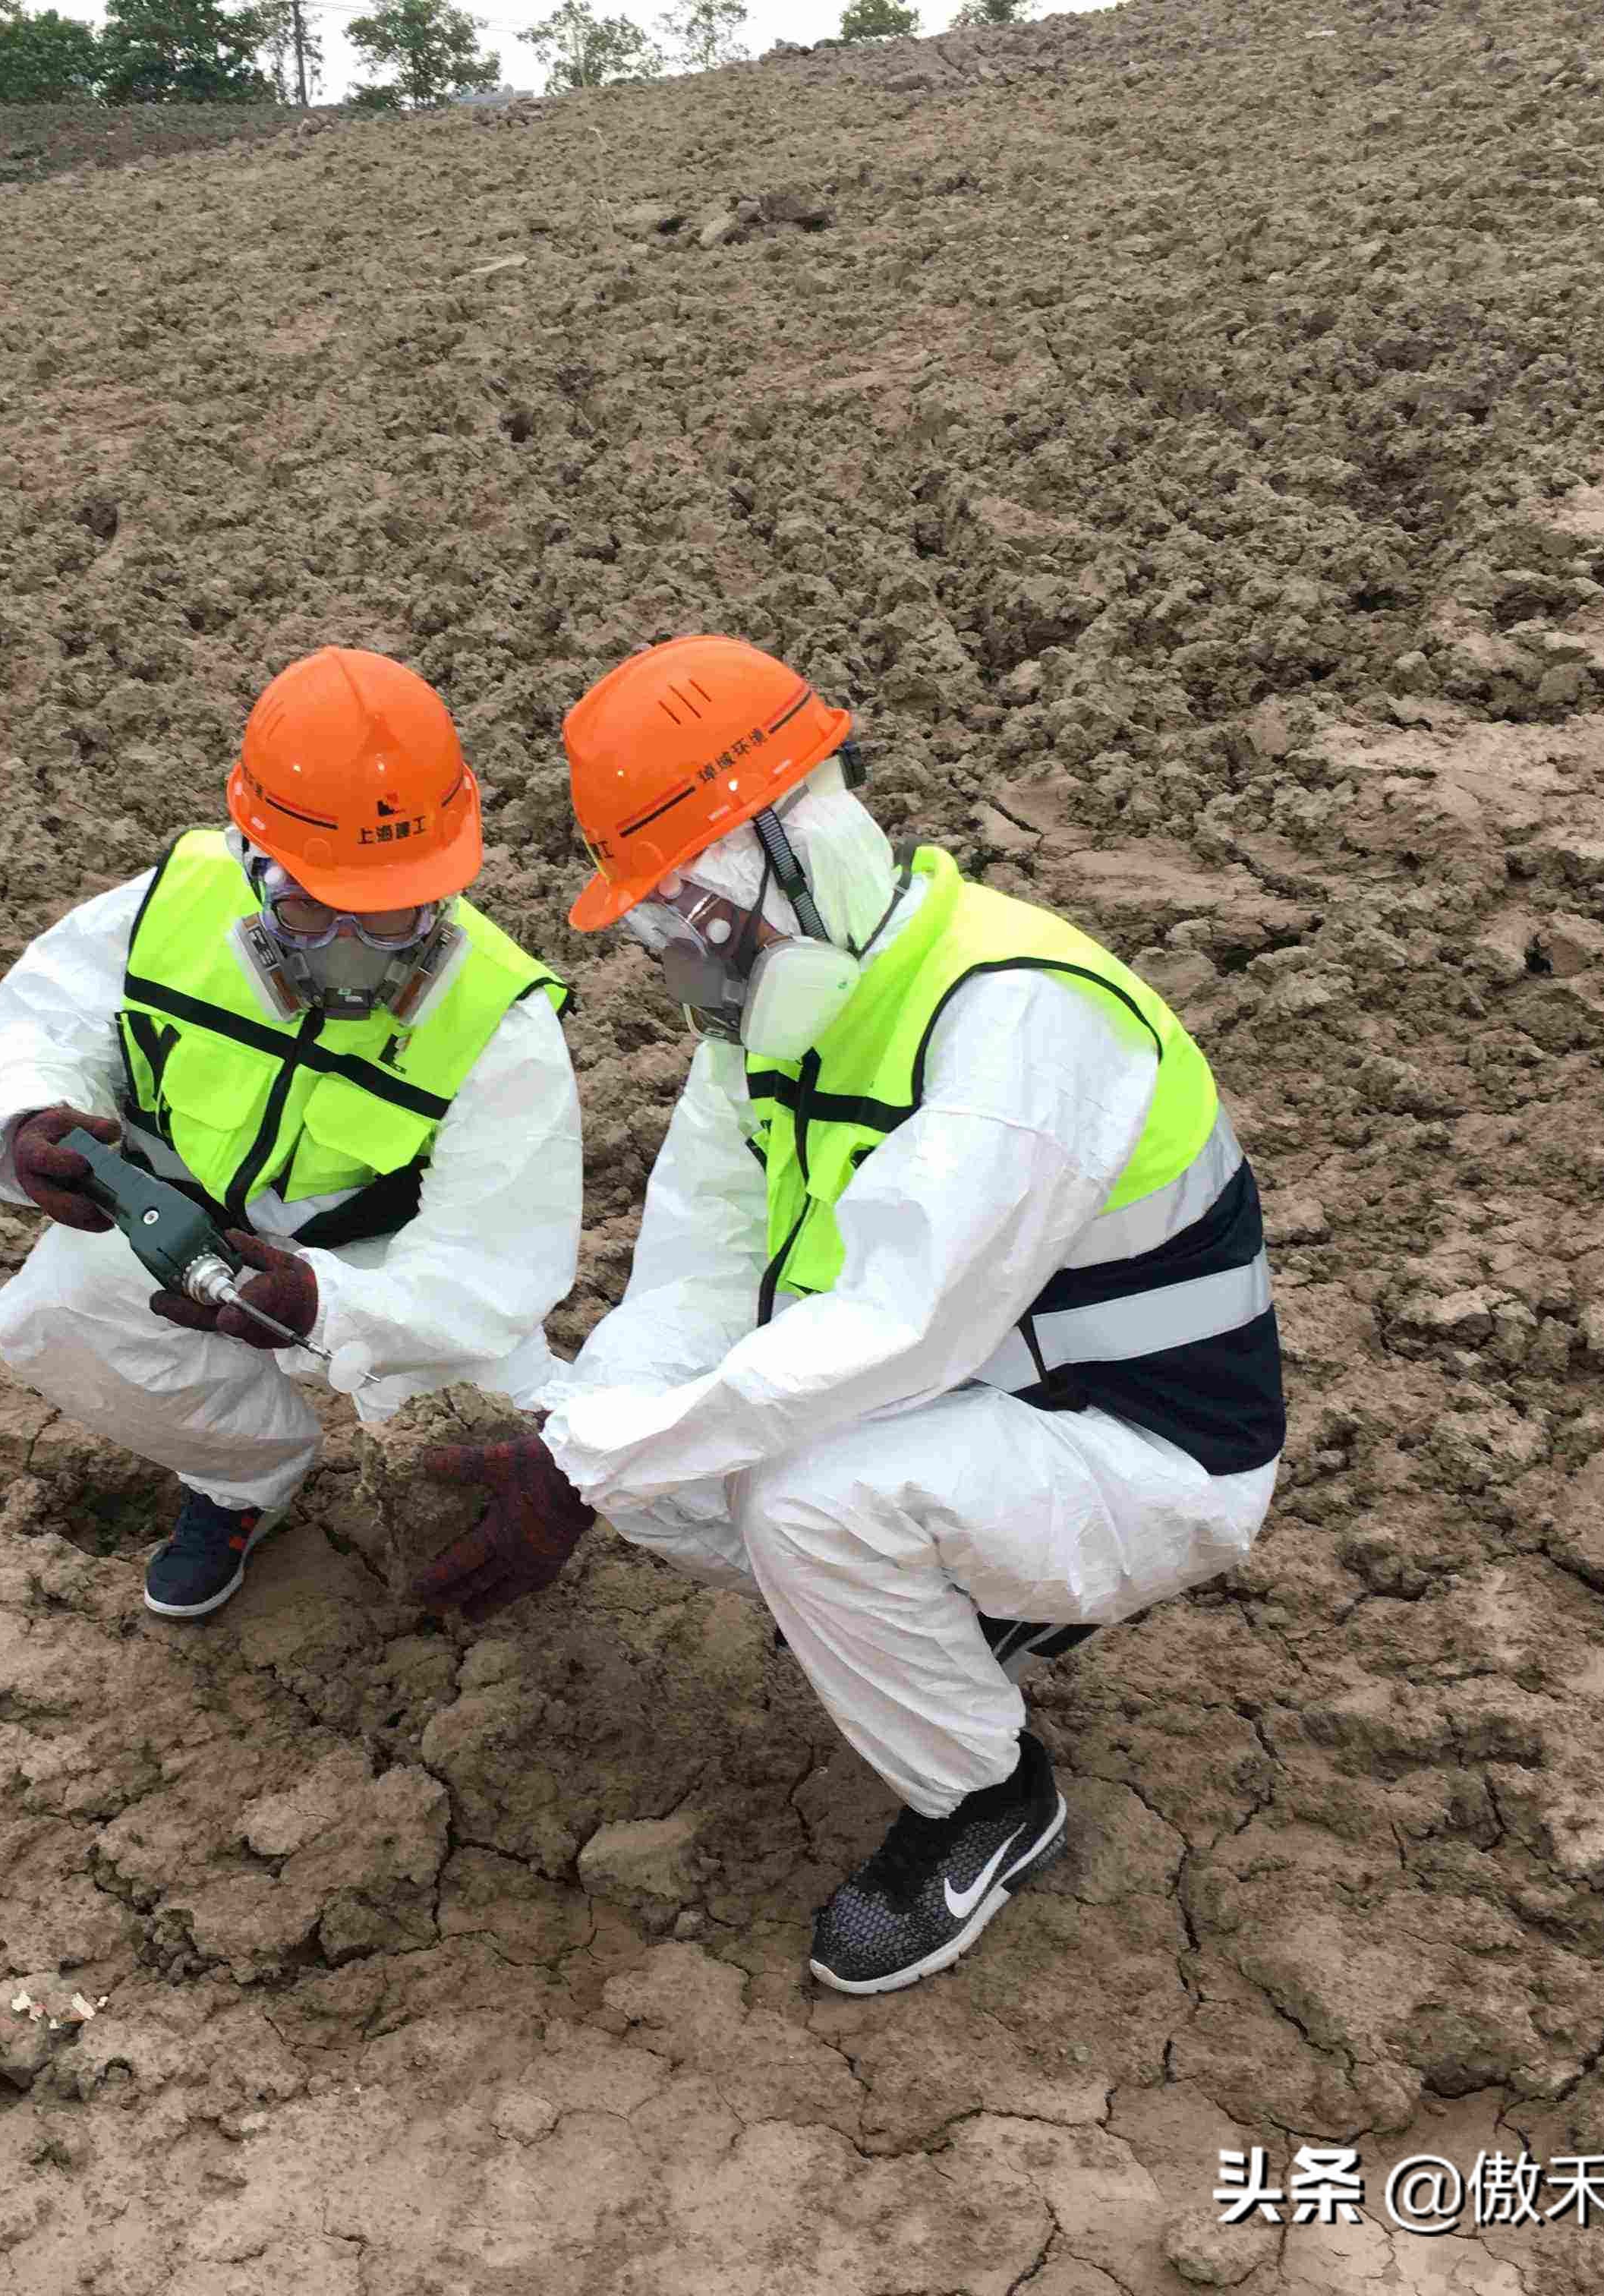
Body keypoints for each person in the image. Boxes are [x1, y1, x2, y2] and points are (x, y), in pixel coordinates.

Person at [412, 635, 1284, 1995]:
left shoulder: (1014, 1018)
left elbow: (899, 1322)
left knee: (806, 1500)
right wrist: (580, 1434)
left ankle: (986, 1795)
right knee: (633, 1424)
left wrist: (582, 1464)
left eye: (681, 910)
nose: (675, 955)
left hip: (1145, 1451)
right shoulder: (771, 1018)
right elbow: (699, 1271)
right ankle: (968, 1599)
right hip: (987, 1411)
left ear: (791, 840)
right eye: (650, 925)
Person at [0, 648, 583, 1620]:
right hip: (189, 1225)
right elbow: (46, 1020)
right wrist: (31, 1112)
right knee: (56, 1317)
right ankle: (246, 1479)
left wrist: (328, 1307)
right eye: (309, 909)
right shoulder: (168, 908)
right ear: (253, 865)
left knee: (496, 1438)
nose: (350, 952)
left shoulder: (500, 1022)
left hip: (387, 1263)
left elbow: (493, 1269)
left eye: (391, 917)